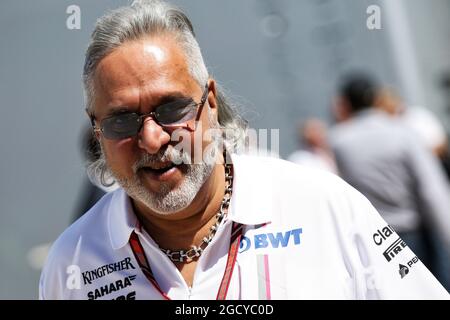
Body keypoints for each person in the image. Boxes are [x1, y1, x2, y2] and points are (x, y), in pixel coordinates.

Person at [39, 1, 448, 299]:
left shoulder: (326, 207)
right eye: (122, 120)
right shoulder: (72, 263)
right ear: (97, 129)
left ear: (211, 103)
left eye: (171, 108)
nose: (153, 139)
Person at [330, 72, 450, 292]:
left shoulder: (339, 141)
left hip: (375, 236)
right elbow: (431, 190)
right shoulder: (402, 132)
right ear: (375, 98)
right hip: (417, 233)